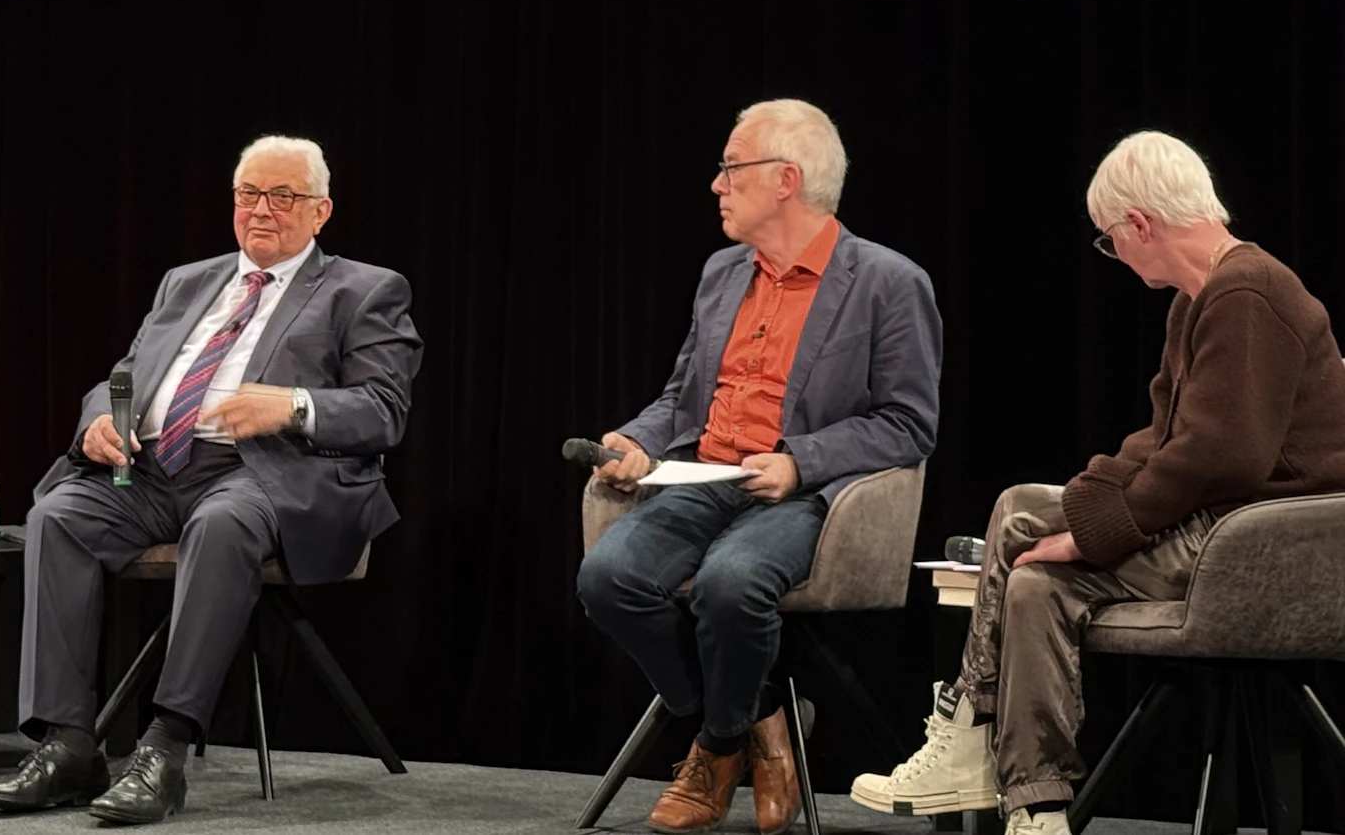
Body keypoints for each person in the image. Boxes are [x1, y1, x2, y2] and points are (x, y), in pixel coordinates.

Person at [850, 131, 1345, 835]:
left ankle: (971, 733)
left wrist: (1091, 534)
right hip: (1222, 524)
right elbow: (1161, 438)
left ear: (1139, 224)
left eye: (1110, 240)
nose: (1114, 253)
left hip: (1265, 547)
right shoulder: (1200, 298)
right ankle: (1035, 803)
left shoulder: (1248, 292)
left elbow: (1221, 456)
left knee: (1027, 531)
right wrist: (1092, 493)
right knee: (1030, 564)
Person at [0, 135, 422, 824]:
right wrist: (100, 419)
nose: (261, 209)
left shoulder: (364, 289)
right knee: (57, 517)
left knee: (221, 523)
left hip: (267, 473)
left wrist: (292, 405)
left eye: (283, 196)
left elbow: (384, 410)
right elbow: (124, 375)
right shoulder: (186, 281)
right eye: (248, 193)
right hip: (152, 470)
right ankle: (66, 746)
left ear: (321, 211)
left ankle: (164, 748)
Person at [576, 99, 943, 834]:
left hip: (803, 496)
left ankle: (713, 751)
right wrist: (638, 441)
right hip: (706, 478)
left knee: (731, 582)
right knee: (607, 578)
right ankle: (759, 722)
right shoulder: (722, 273)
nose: (717, 184)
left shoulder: (888, 281)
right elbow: (683, 396)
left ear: (785, 179)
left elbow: (909, 423)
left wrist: (801, 462)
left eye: (730, 167)